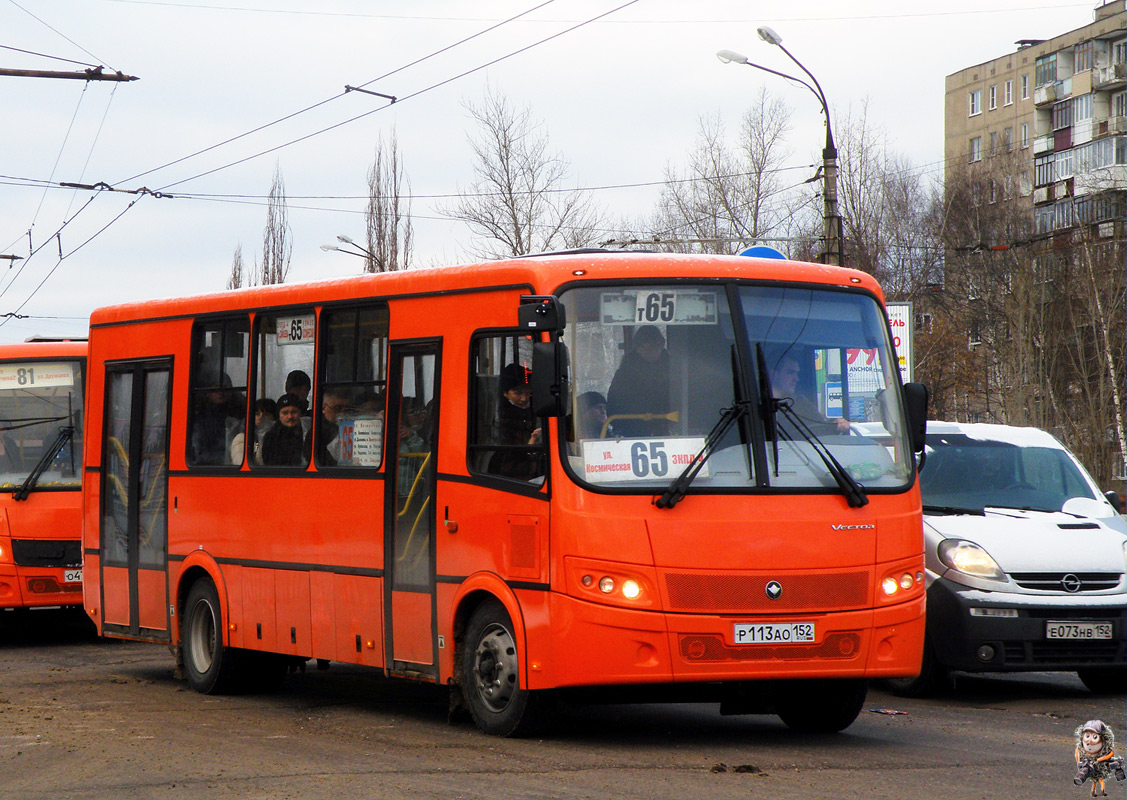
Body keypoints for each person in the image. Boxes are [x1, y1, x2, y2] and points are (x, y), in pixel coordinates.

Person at [606, 325, 672, 438]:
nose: (647, 351)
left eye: (653, 346)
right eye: (642, 346)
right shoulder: (624, 374)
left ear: (661, 345)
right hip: (631, 433)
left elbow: (682, 403)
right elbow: (613, 407)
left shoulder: (675, 371)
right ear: (636, 348)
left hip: (670, 431)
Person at [487, 363, 543, 480]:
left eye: (528, 393)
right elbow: (506, 463)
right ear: (505, 393)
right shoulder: (500, 420)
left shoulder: (534, 413)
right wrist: (530, 446)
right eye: (517, 392)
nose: (524, 398)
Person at [770, 353, 850, 435]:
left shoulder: (800, 403)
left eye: (797, 373)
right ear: (773, 374)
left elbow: (820, 427)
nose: (796, 379)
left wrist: (834, 424)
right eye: (790, 372)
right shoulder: (759, 406)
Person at [260, 393, 308, 466]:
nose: (290, 416)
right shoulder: (271, 437)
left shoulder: (309, 431)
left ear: (300, 413)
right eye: (285, 413)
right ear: (279, 416)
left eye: (294, 412)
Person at [311, 387, 351, 466]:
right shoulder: (318, 430)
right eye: (337, 408)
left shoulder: (353, 424)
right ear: (323, 408)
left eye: (346, 409)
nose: (342, 413)